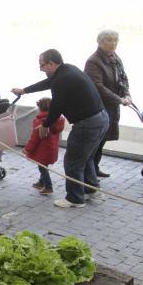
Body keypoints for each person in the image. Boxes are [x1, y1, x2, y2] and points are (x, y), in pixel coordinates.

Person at [12, 49, 108, 208]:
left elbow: (57, 106)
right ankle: (91, 190)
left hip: (87, 123)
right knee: (87, 157)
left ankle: (75, 198)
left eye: (42, 65)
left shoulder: (61, 80)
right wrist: (25, 90)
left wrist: (45, 124)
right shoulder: (67, 70)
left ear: (51, 63)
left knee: (72, 162)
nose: (41, 69)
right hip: (101, 118)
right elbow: (47, 84)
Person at [84, 29, 131, 178]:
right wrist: (119, 99)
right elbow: (97, 86)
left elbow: (123, 78)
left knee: (102, 140)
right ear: (99, 42)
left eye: (115, 40)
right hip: (99, 108)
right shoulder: (93, 61)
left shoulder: (114, 57)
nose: (113, 43)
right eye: (109, 40)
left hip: (111, 106)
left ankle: (94, 168)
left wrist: (127, 94)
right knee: (95, 141)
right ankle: (89, 173)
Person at [23, 97, 65, 196]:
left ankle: (48, 186)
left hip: (42, 150)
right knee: (43, 166)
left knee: (42, 167)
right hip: (51, 149)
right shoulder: (57, 120)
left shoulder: (40, 121)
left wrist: (27, 149)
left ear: (40, 108)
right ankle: (41, 182)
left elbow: (35, 138)